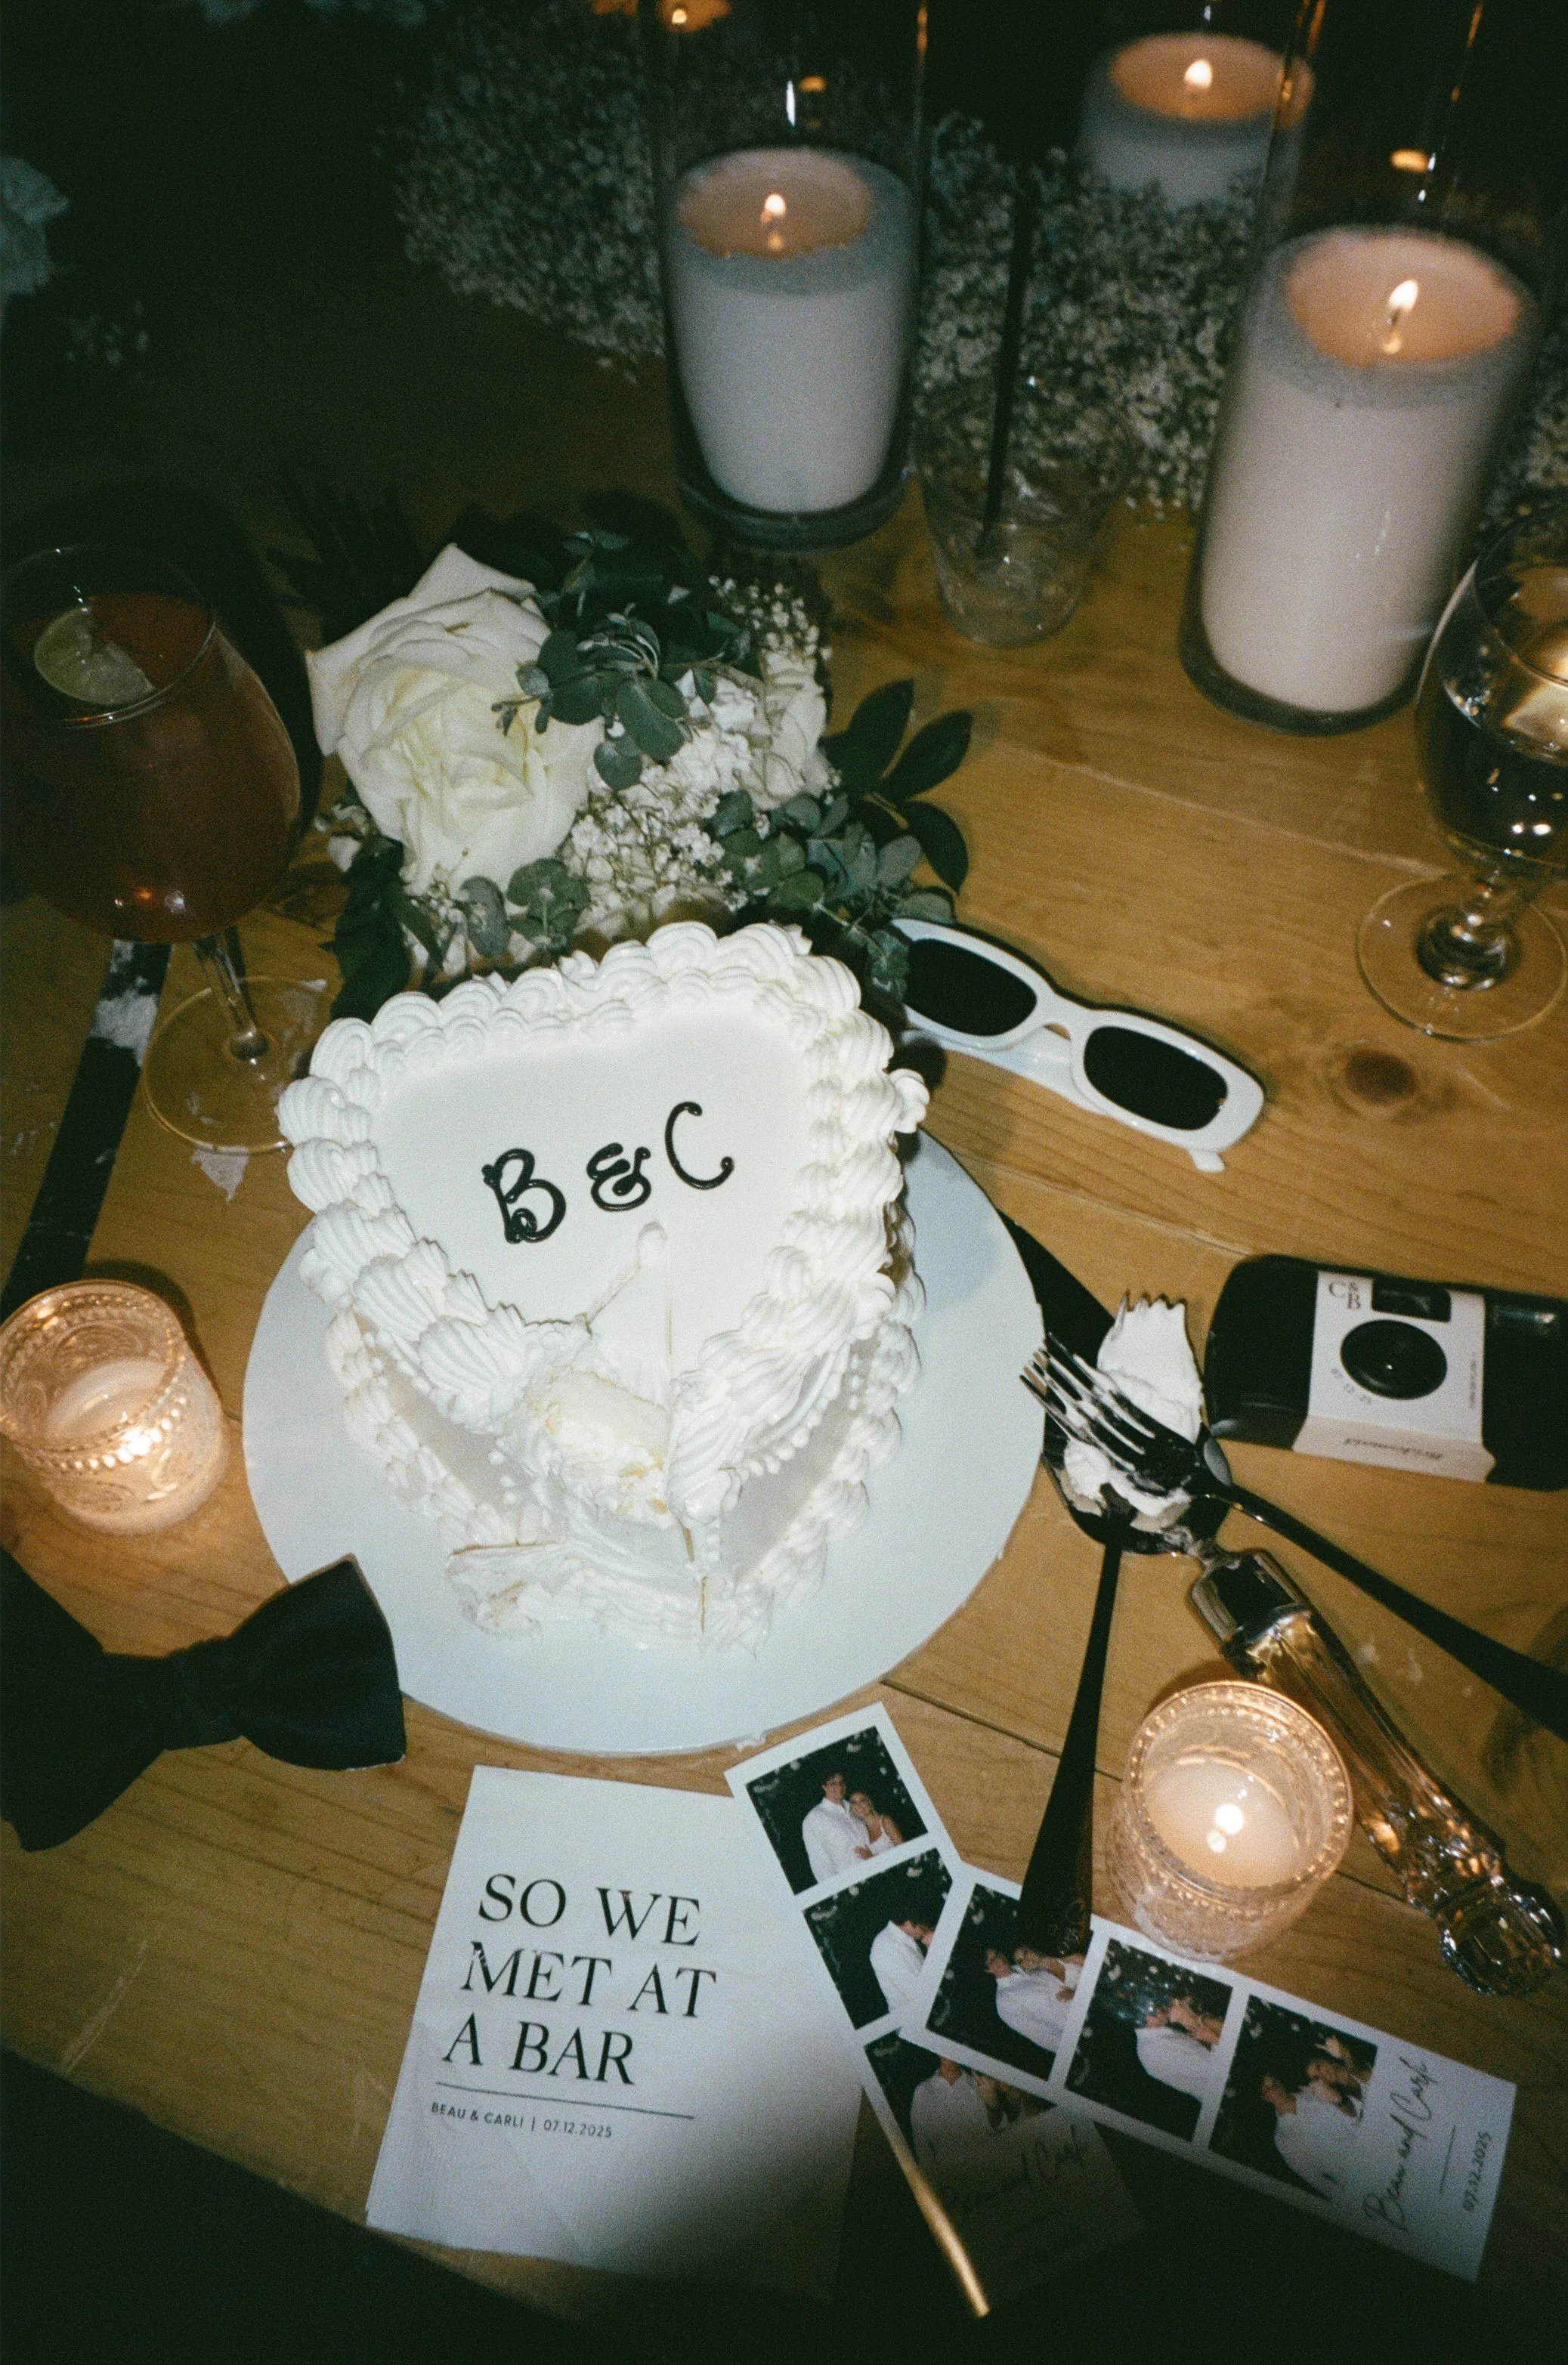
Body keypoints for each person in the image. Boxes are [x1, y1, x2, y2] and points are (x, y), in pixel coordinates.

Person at [1262, 2071, 1364, 2196]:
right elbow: (1313, 2177)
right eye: (1268, 2088)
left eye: (1275, 2083)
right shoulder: (1282, 2137)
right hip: (1351, 2180)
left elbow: (1352, 2115)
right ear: (1265, 2097)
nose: (1275, 2088)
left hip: (1364, 2147)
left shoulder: (1312, 2094)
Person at [909, 2058, 1003, 2179]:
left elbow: (996, 2128)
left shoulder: (977, 2084)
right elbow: (921, 2144)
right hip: (949, 2177)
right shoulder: (923, 2091)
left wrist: (993, 2105)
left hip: (986, 2169)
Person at [985, 1946, 1080, 2054]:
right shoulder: (1004, 2000)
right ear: (988, 1969)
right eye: (992, 1961)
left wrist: (1076, 1992)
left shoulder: (1026, 1966)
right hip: (1076, 2030)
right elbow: (1039, 2034)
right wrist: (1074, 2048)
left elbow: (1064, 1979)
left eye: (998, 1954)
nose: (998, 1959)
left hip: (1083, 2002)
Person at [1133, 1998, 1220, 2100]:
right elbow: (1213, 2069)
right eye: (1159, 2007)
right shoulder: (1152, 2049)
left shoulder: (1160, 2033)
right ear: (1149, 2017)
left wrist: (1191, 2018)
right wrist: (1215, 2039)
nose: (1167, 2007)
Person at [800, 1769, 868, 1883]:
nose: (839, 1787)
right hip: (851, 1881)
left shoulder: (855, 1807)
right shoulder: (814, 1818)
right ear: (824, 1787)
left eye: (842, 1783)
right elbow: (819, 1862)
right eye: (833, 1784)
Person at [869, 1916, 933, 2014]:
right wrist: (934, 1949)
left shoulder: (901, 1937)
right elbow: (920, 1994)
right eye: (925, 1926)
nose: (927, 1930)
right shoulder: (886, 1947)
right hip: (914, 2019)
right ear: (908, 1923)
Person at [848, 1788, 904, 1856]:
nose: (859, 1805)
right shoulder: (862, 1832)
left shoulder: (885, 1821)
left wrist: (872, 1857)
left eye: (862, 1801)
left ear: (869, 1803)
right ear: (852, 1809)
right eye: (854, 1803)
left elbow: (903, 1850)